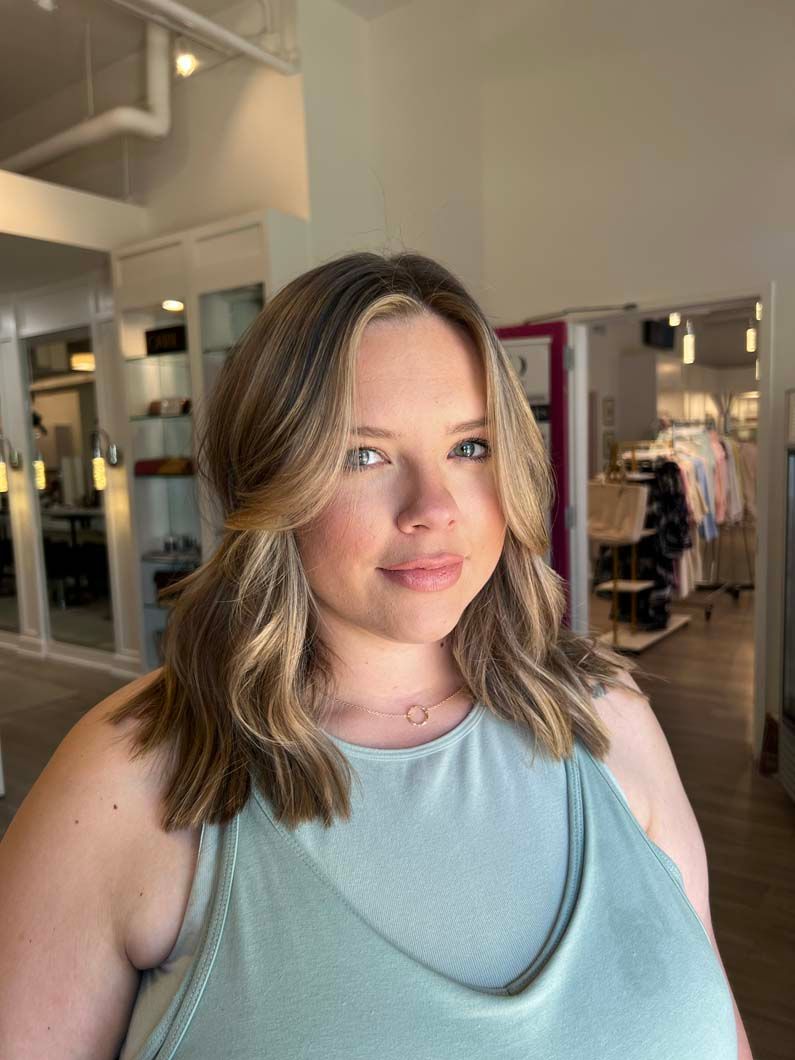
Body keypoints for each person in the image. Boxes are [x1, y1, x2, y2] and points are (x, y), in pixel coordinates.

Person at [0, 252, 751, 1059]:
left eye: (469, 447)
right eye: (363, 455)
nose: (433, 508)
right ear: (271, 479)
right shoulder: (126, 783)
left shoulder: (612, 718)